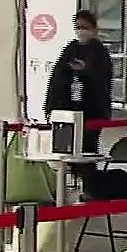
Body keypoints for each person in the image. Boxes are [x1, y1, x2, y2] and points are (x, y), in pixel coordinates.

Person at [44, 9, 113, 158]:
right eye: (78, 27)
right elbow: (57, 79)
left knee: (87, 152)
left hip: (91, 111)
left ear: (94, 29)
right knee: (64, 151)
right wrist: (51, 107)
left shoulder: (99, 52)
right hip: (66, 110)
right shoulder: (71, 49)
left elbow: (103, 82)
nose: (81, 31)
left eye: (85, 27)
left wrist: (86, 71)